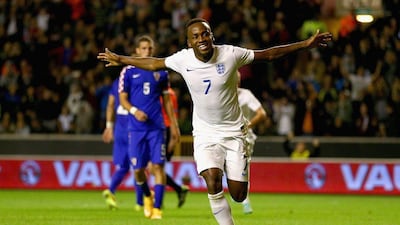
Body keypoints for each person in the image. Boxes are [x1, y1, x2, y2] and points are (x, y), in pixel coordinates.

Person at [98, 18, 332, 225]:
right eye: (196, 36)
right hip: (205, 133)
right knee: (212, 178)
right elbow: (153, 62)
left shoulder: (230, 53)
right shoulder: (183, 59)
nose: (202, 38)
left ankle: (239, 176)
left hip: (234, 132)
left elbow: (268, 54)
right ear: (189, 42)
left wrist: (304, 44)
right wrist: (121, 59)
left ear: (212, 36)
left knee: (239, 194)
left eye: (205, 34)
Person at [118, 35, 180, 220]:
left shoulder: (161, 72)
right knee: (138, 169)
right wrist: (135, 111)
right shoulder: (128, 71)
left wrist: (174, 127)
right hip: (136, 128)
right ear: (137, 50)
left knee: (158, 167)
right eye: (144, 48)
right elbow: (123, 99)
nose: (147, 51)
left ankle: (158, 209)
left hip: (157, 127)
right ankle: (147, 196)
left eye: (150, 48)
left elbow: (167, 102)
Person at [134, 87, 189, 210]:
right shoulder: (160, 90)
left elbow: (172, 114)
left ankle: (160, 201)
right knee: (154, 168)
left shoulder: (168, 93)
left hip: (164, 130)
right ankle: (176, 191)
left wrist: (172, 138)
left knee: (156, 168)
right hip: (155, 130)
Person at [237, 71, 267, 214]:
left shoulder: (245, 95)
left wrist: (247, 125)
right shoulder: (220, 94)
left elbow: (262, 114)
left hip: (244, 138)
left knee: (242, 169)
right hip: (224, 136)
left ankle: (245, 201)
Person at [101, 77, 130, 210]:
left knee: (123, 166)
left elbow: (110, 105)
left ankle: (111, 191)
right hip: (134, 128)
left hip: (119, 129)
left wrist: (108, 126)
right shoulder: (138, 78)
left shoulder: (116, 82)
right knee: (139, 165)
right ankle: (141, 203)